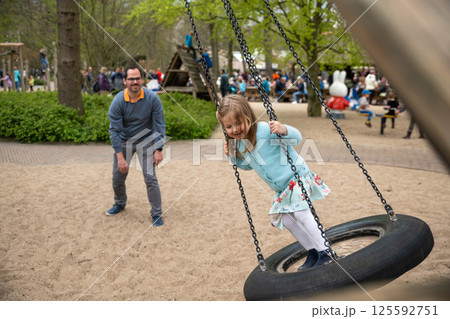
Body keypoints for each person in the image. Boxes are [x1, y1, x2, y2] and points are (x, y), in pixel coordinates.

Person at [217, 94, 332, 270]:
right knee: (286, 219)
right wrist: (231, 157)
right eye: (229, 126)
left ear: (248, 117)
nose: (235, 129)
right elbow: (248, 166)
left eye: (238, 123)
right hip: (282, 189)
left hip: (297, 177)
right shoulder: (239, 144)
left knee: (301, 213)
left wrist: (284, 129)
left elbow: (297, 139)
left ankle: (326, 251)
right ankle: (313, 251)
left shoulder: (264, 129)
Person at [107, 66, 166, 226]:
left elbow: (159, 124)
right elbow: (114, 131)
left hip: (146, 140)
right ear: (125, 81)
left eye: (137, 78)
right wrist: (120, 157)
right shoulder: (118, 101)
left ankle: (157, 213)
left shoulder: (152, 99)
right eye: (131, 79)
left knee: (150, 177)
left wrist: (159, 149)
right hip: (124, 141)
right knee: (118, 177)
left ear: (142, 80)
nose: (135, 82)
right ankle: (119, 203)